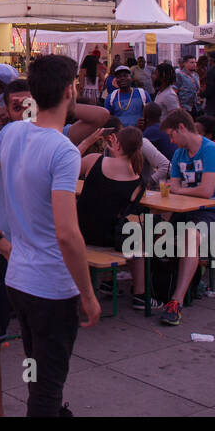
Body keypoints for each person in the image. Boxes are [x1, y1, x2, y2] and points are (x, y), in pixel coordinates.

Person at [0, 55, 96, 416]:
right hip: (52, 285)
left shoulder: (13, 132)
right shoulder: (62, 150)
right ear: (70, 91)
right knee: (47, 388)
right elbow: (67, 233)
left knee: (36, 364)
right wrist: (88, 292)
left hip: (18, 276)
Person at [158, 108, 215, 326]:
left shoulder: (212, 150)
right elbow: (173, 184)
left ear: (182, 128)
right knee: (151, 230)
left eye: (172, 135)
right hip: (187, 210)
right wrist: (178, 191)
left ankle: (176, 301)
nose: (171, 141)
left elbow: (206, 190)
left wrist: (180, 190)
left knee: (191, 237)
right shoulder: (179, 154)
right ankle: (152, 289)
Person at [76, 126, 156, 309]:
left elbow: (65, 165)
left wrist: (87, 142)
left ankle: (108, 282)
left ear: (117, 144)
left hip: (79, 232)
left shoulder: (94, 160)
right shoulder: (138, 181)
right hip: (107, 238)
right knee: (137, 235)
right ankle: (140, 295)